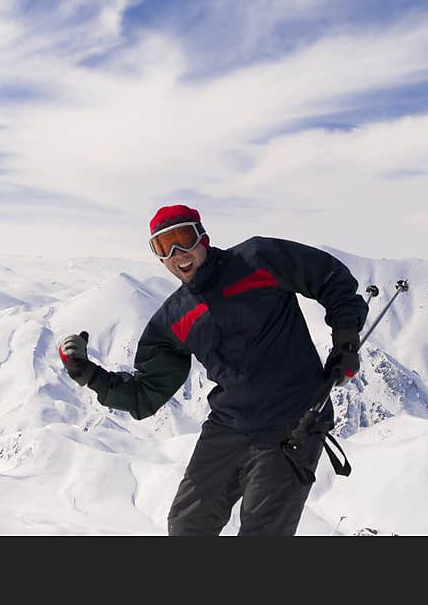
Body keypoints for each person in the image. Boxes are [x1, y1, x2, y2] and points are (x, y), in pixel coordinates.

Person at [58, 204, 368, 536]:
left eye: (183, 238)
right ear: (160, 258)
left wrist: (346, 342)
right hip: (227, 427)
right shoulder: (173, 319)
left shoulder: (258, 259)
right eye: (165, 247)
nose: (179, 253)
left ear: (202, 237)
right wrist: (90, 375)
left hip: (293, 421)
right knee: (187, 525)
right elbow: (144, 395)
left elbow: (331, 279)